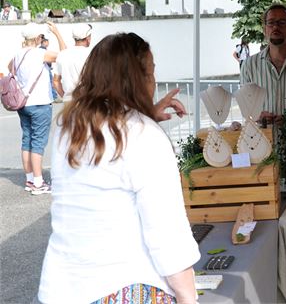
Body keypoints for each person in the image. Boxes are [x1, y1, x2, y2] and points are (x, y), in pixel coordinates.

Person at [38, 32, 198, 304]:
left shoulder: (68, 128)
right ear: (139, 79)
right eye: (151, 73)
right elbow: (168, 239)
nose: (154, 80)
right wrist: (189, 298)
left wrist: (145, 117)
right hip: (124, 289)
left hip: (59, 288)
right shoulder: (143, 136)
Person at [9, 22, 66, 194]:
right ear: (37, 38)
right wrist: (57, 33)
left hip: (23, 103)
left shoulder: (18, 54)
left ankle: (30, 180)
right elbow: (65, 54)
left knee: (27, 140)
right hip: (40, 103)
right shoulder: (40, 54)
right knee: (38, 143)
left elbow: (9, 68)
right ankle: (39, 183)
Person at [53, 23, 93, 102]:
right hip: (86, 101)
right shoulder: (91, 54)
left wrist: (65, 96)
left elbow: (55, 81)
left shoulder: (62, 54)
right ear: (88, 38)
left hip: (69, 102)